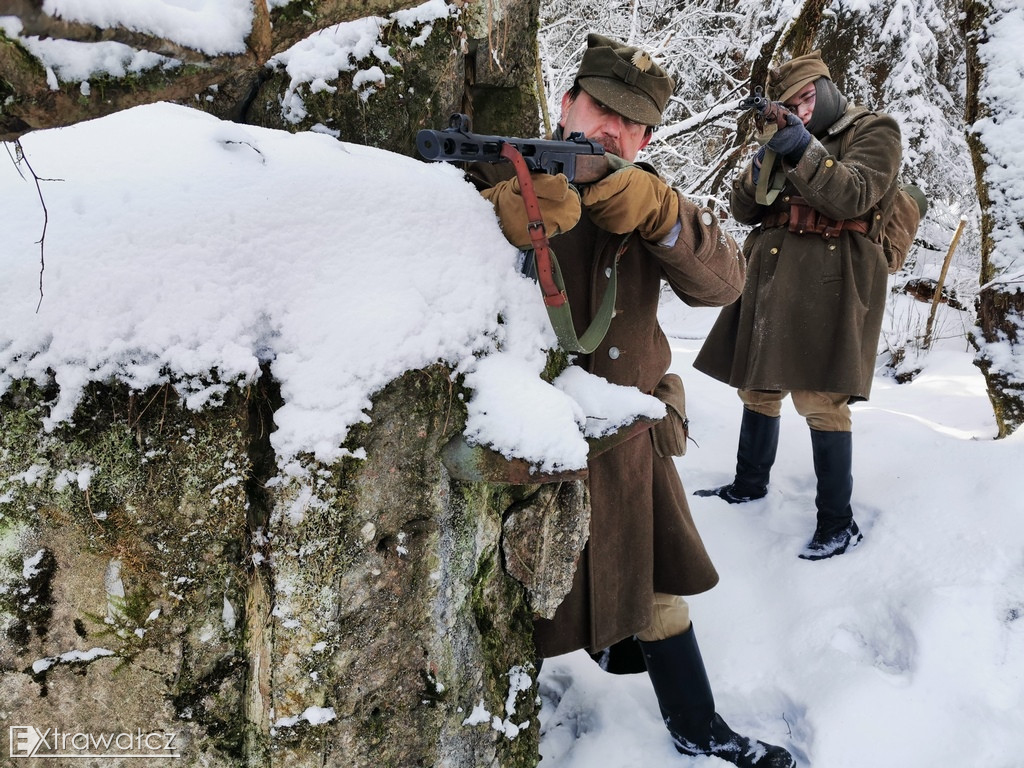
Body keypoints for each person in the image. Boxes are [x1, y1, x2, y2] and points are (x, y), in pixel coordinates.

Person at [470, 33, 796, 768]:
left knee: (653, 593)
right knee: (513, 604)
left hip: (628, 440)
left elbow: (724, 284)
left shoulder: (646, 192)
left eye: (635, 124)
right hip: (531, 443)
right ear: (567, 102)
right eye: (602, 110)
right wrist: (498, 222)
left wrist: (664, 218)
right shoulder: (500, 169)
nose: (615, 132)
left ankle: (698, 728)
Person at [693, 50, 903, 560]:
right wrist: (767, 152)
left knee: (818, 398)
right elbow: (746, 209)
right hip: (771, 268)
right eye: (792, 104)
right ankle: (749, 485)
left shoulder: (874, 130)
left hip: (832, 274)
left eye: (807, 98)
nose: (802, 110)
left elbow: (854, 194)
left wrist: (801, 147)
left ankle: (838, 521)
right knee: (757, 388)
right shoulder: (783, 139)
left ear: (827, 89)